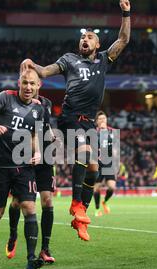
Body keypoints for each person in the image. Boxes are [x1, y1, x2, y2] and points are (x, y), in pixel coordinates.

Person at [21, 0, 131, 241]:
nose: (85, 39)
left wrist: (126, 13)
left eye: (90, 37)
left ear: (97, 43)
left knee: (93, 168)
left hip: (89, 121)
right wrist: (33, 65)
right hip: (71, 117)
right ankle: (76, 204)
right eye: (83, 37)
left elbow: (123, 40)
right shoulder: (69, 59)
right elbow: (46, 71)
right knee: (84, 153)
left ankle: (80, 216)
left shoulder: (103, 59)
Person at [0, 69, 45, 269]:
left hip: (23, 167)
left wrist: (39, 152)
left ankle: (31, 258)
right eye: (25, 83)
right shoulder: (5, 97)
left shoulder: (38, 109)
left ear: (37, 86)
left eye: (32, 84)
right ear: (19, 83)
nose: (28, 87)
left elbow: (34, 136)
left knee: (30, 208)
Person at [7, 93, 56, 264]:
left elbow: (47, 125)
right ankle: (13, 234)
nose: (30, 85)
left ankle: (45, 249)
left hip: (45, 156)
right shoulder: (16, 102)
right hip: (24, 156)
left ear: (38, 84)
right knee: (16, 202)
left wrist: (51, 135)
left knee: (48, 201)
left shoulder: (46, 103)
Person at [93, 111, 117, 217]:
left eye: (104, 118)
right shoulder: (93, 132)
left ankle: (105, 201)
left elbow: (114, 144)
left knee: (112, 187)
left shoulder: (112, 131)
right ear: (96, 122)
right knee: (96, 188)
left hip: (108, 162)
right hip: (97, 163)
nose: (103, 120)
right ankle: (97, 209)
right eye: (100, 119)